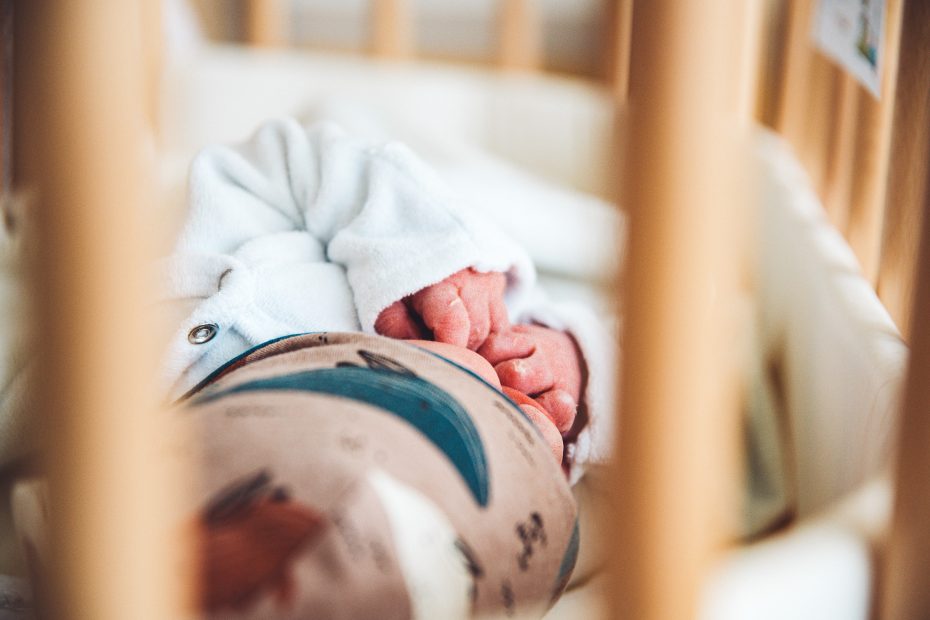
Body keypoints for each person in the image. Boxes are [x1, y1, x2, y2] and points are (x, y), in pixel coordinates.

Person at [159, 117, 611, 472]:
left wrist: (433, 250)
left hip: (458, 349)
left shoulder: (180, 219)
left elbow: (299, 162)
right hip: (313, 493)